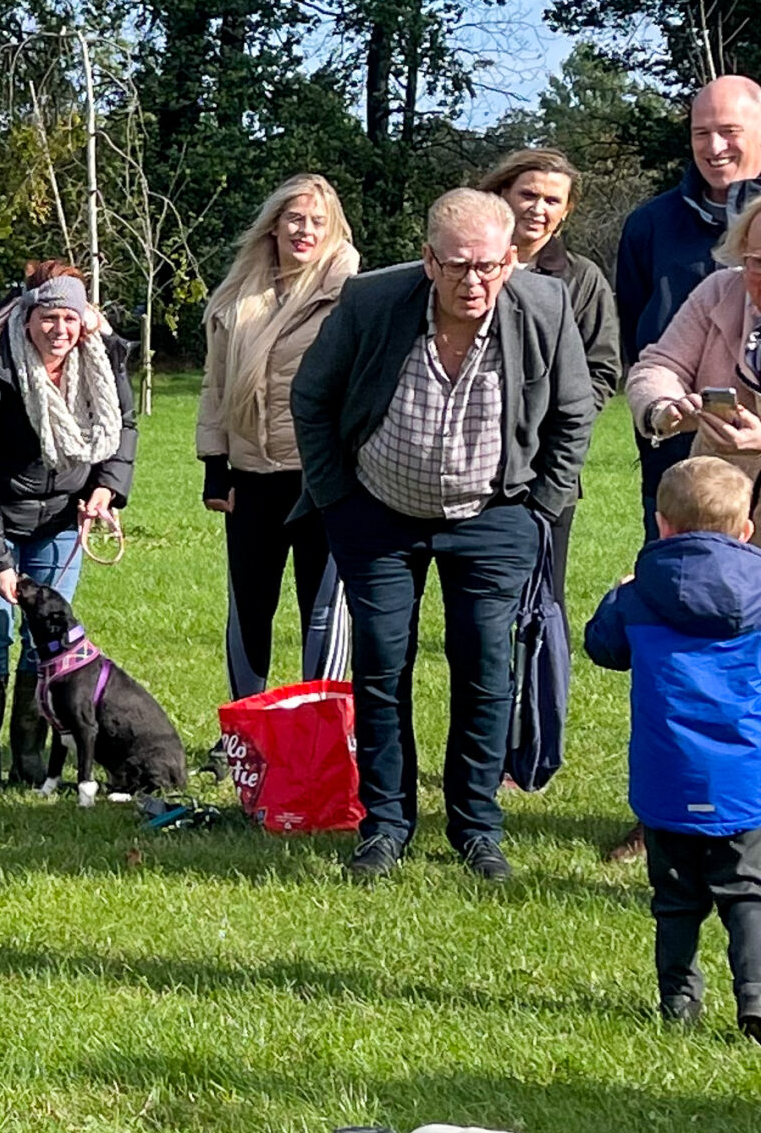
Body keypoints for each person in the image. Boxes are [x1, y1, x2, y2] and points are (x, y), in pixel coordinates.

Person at [290, 187, 598, 884]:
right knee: (379, 662)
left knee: (487, 669)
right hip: (377, 515)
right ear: (429, 261)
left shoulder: (545, 308)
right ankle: (385, 826)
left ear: (512, 259)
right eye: (458, 266)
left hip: (495, 517)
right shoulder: (371, 302)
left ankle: (477, 828)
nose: (474, 281)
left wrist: (539, 508)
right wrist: (338, 499)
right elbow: (311, 396)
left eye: (489, 266)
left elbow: (576, 413)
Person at [0, 262, 138, 790]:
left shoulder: (101, 358)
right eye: (48, 317)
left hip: (61, 515)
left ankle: (29, 757)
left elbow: (123, 426)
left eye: (69, 318)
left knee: (43, 637)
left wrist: (106, 487)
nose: (59, 330)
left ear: (84, 320)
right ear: (28, 317)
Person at [582, 456, 761, 1039]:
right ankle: (754, 1001)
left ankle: (678, 1002)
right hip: (745, 778)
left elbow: (602, 648)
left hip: (667, 777)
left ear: (662, 524)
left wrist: (617, 594)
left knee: (676, 900)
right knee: (747, 895)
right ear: (746, 529)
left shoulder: (641, 594)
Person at [478, 147, 623, 793]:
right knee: (477, 617)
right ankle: (476, 746)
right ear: (501, 194)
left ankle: (528, 753)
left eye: (551, 200)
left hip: (544, 476)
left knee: (539, 615)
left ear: (565, 214)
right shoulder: (469, 259)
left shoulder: (581, 279)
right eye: (527, 193)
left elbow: (601, 372)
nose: (537, 209)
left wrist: (551, 424)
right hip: (464, 472)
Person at [196, 173, 361, 700]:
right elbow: (214, 385)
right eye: (294, 218)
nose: (304, 230)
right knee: (248, 604)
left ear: (333, 229)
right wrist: (214, 465)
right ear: (274, 225)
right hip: (250, 479)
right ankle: (243, 729)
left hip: (322, 480)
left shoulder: (352, 295)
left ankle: (322, 728)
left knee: (323, 610)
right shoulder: (239, 294)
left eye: (317, 221)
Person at [616, 76, 761, 540]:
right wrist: (664, 408)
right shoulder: (651, 228)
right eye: (701, 133)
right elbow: (648, 352)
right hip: (686, 474)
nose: (714, 146)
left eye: (729, 130)